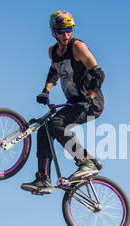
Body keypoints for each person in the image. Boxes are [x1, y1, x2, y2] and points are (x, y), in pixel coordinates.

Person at [21, 10, 105, 194]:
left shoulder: (78, 47)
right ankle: (43, 178)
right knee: (45, 129)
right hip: (74, 102)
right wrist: (46, 91)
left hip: (90, 103)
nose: (66, 35)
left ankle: (86, 161)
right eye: (61, 31)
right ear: (53, 31)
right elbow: (53, 72)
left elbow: (98, 74)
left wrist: (89, 97)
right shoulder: (53, 52)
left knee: (57, 124)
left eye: (69, 30)